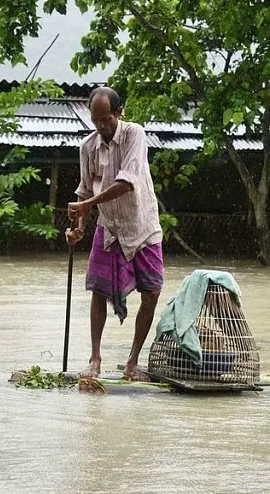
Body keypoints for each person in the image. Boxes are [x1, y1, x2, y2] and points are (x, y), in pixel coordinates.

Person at [66, 86, 164, 382]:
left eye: (106, 119)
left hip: (141, 224)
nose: (101, 127)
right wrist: (78, 228)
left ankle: (133, 361)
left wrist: (86, 204)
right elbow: (84, 189)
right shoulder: (88, 147)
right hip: (109, 227)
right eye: (95, 121)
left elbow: (126, 182)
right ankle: (94, 358)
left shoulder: (135, 134)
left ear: (120, 113)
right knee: (98, 289)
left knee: (152, 292)